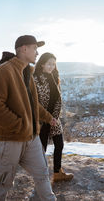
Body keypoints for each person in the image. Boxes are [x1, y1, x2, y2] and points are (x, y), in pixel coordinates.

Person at [0, 35, 57, 201]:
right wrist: (20, 125)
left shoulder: (26, 73)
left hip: (31, 138)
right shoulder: (4, 71)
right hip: (8, 140)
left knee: (42, 174)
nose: (37, 53)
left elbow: (32, 104)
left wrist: (47, 116)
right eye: (34, 48)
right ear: (24, 49)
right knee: (2, 186)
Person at [34, 53, 74, 182]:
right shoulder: (35, 79)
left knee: (59, 144)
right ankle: (40, 176)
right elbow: (36, 102)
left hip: (54, 119)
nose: (51, 66)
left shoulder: (54, 77)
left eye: (53, 64)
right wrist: (47, 117)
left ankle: (57, 172)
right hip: (42, 119)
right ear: (42, 64)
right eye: (49, 63)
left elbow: (58, 99)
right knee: (42, 148)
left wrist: (55, 117)